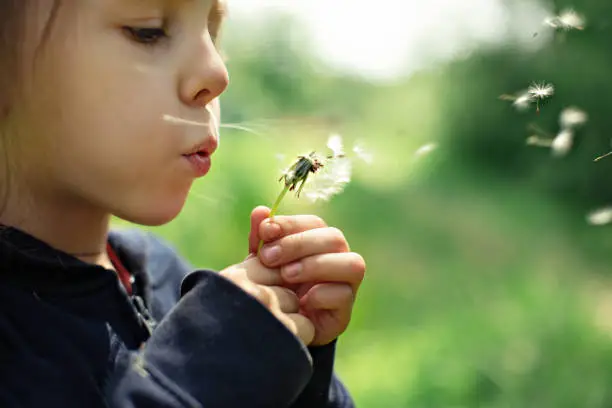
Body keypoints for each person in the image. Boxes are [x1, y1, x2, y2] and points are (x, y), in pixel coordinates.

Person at [0, 0, 366, 407]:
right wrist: (194, 384)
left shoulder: (165, 274)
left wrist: (294, 368)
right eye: (149, 30)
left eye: (212, 32)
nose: (217, 72)